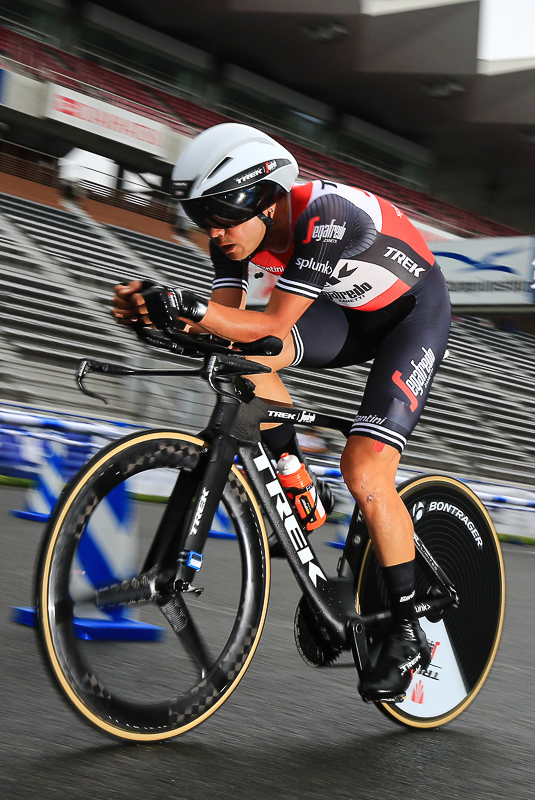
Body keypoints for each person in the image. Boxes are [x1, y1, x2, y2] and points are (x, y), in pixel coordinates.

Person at [112, 123, 450, 702]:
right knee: (241, 362)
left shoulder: (327, 216)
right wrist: (161, 314)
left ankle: (405, 625)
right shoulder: (232, 238)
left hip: (410, 316)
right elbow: (225, 324)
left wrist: (183, 307)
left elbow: (269, 325)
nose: (214, 232)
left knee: (365, 472)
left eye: (222, 215)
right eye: (202, 219)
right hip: (344, 313)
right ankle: (299, 487)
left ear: (266, 198)